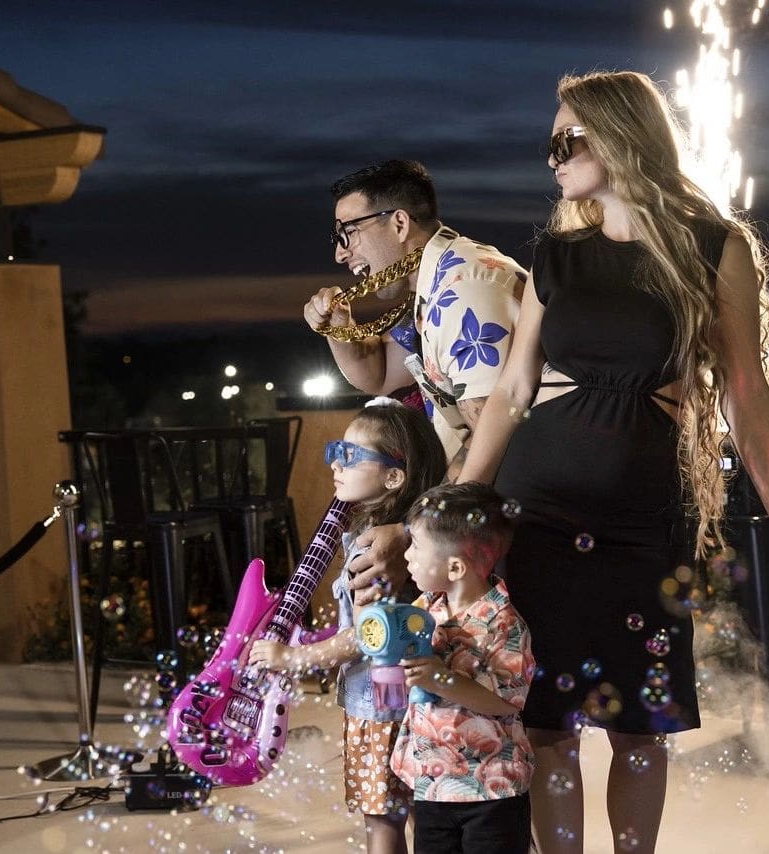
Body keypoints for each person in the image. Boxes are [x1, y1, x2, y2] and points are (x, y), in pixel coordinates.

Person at [458, 71, 769, 853]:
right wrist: (457, 500)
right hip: (535, 508)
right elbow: (512, 389)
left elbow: (745, 392)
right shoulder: (556, 255)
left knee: (642, 725)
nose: (552, 158)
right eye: (549, 144)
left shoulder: (714, 247)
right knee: (546, 724)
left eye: (566, 140)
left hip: (643, 517)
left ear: (619, 135)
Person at [303, 160, 526, 607]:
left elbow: (496, 431)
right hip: (479, 508)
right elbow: (381, 376)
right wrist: (338, 328)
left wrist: (413, 532)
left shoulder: (463, 288)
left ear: (399, 223)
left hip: (512, 511)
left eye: (346, 233)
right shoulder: (431, 283)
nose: (340, 253)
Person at [248, 398, 447, 854]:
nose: (337, 462)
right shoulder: (405, 541)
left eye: (352, 455)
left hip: (379, 706)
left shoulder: (370, 550)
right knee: (426, 815)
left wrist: (293, 658)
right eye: (336, 449)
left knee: (382, 821)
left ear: (393, 477)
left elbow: (366, 637)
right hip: (407, 698)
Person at [390, 482, 535, 854]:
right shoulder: (425, 608)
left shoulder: (505, 625)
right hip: (432, 784)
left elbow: (504, 701)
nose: (407, 556)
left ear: (455, 566)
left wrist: (439, 677)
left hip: (489, 789)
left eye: (416, 547)